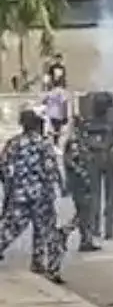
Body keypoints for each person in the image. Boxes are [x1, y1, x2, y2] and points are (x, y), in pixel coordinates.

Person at [0, 109, 65, 281]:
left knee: (10, 228)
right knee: (45, 230)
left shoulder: (13, 143)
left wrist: (9, 189)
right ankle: (41, 263)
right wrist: (57, 187)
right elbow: (51, 169)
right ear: (37, 125)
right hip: (41, 194)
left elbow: (5, 168)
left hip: (20, 193)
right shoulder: (44, 144)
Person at [85, 92, 113, 241]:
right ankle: (109, 229)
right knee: (111, 193)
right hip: (108, 155)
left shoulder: (88, 121)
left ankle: (95, 227)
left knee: (94, 193)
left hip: (93, 156)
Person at [62, 115, 99, 252]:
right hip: (80, 183)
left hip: (79, 181)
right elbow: (71, 162)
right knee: (85, 211)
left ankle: (85, 240)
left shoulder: (78, 139)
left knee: (84, 212)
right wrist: (84, 175)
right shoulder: (75, 141)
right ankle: (66, 232)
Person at [42, 80, 70, 146]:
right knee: (57, 130)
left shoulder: (50, 92)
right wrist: (65, 115)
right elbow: (64, 102)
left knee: (54, 129)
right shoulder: (60, 92)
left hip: (51, 114)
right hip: (58, 114)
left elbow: (44, 102)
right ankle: (56, 144)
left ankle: (54, 143)